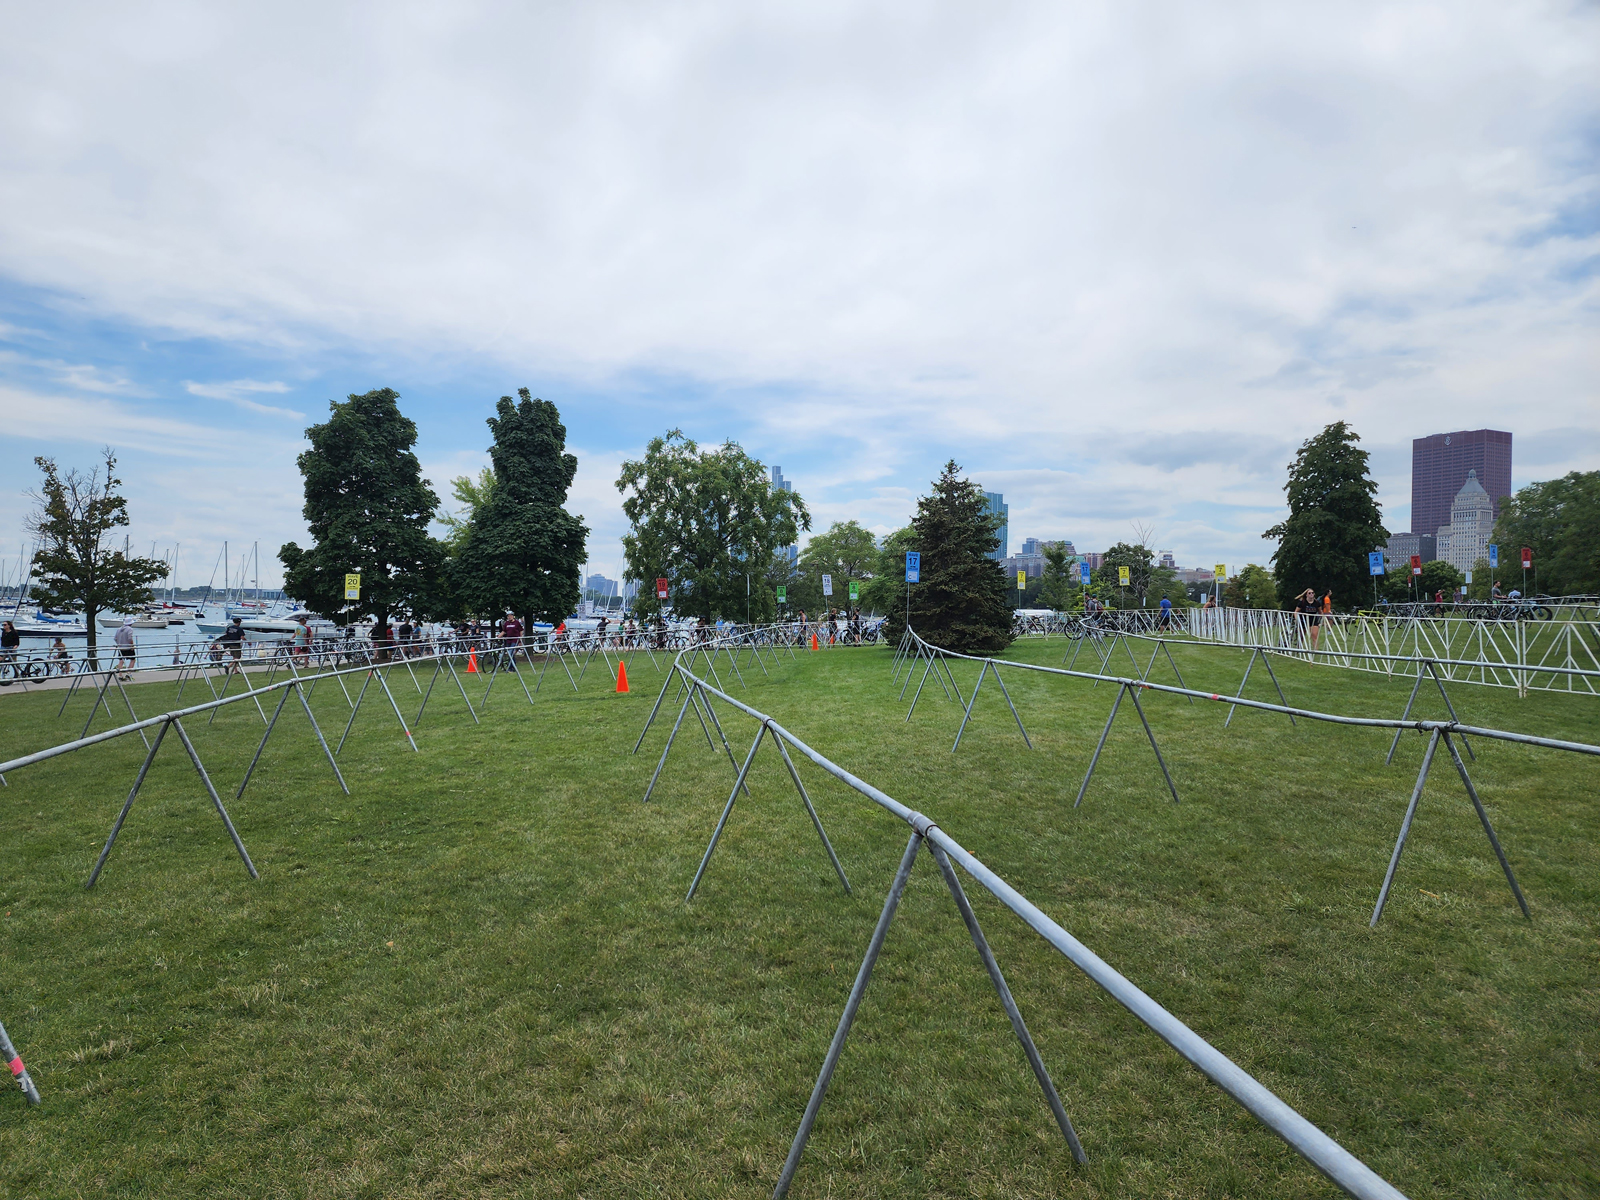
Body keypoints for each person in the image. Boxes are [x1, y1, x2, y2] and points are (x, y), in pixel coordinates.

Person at [115, 615, 137, 679]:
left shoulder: (119, 629)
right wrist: (132, 646)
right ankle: (128, 673)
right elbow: (130, 638)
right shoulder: (130, 629)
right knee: (133, 659)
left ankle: (120, 675)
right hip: (128, 647)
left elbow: (115, 638)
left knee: (121, 660)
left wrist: (119, 644)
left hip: (121, 647)